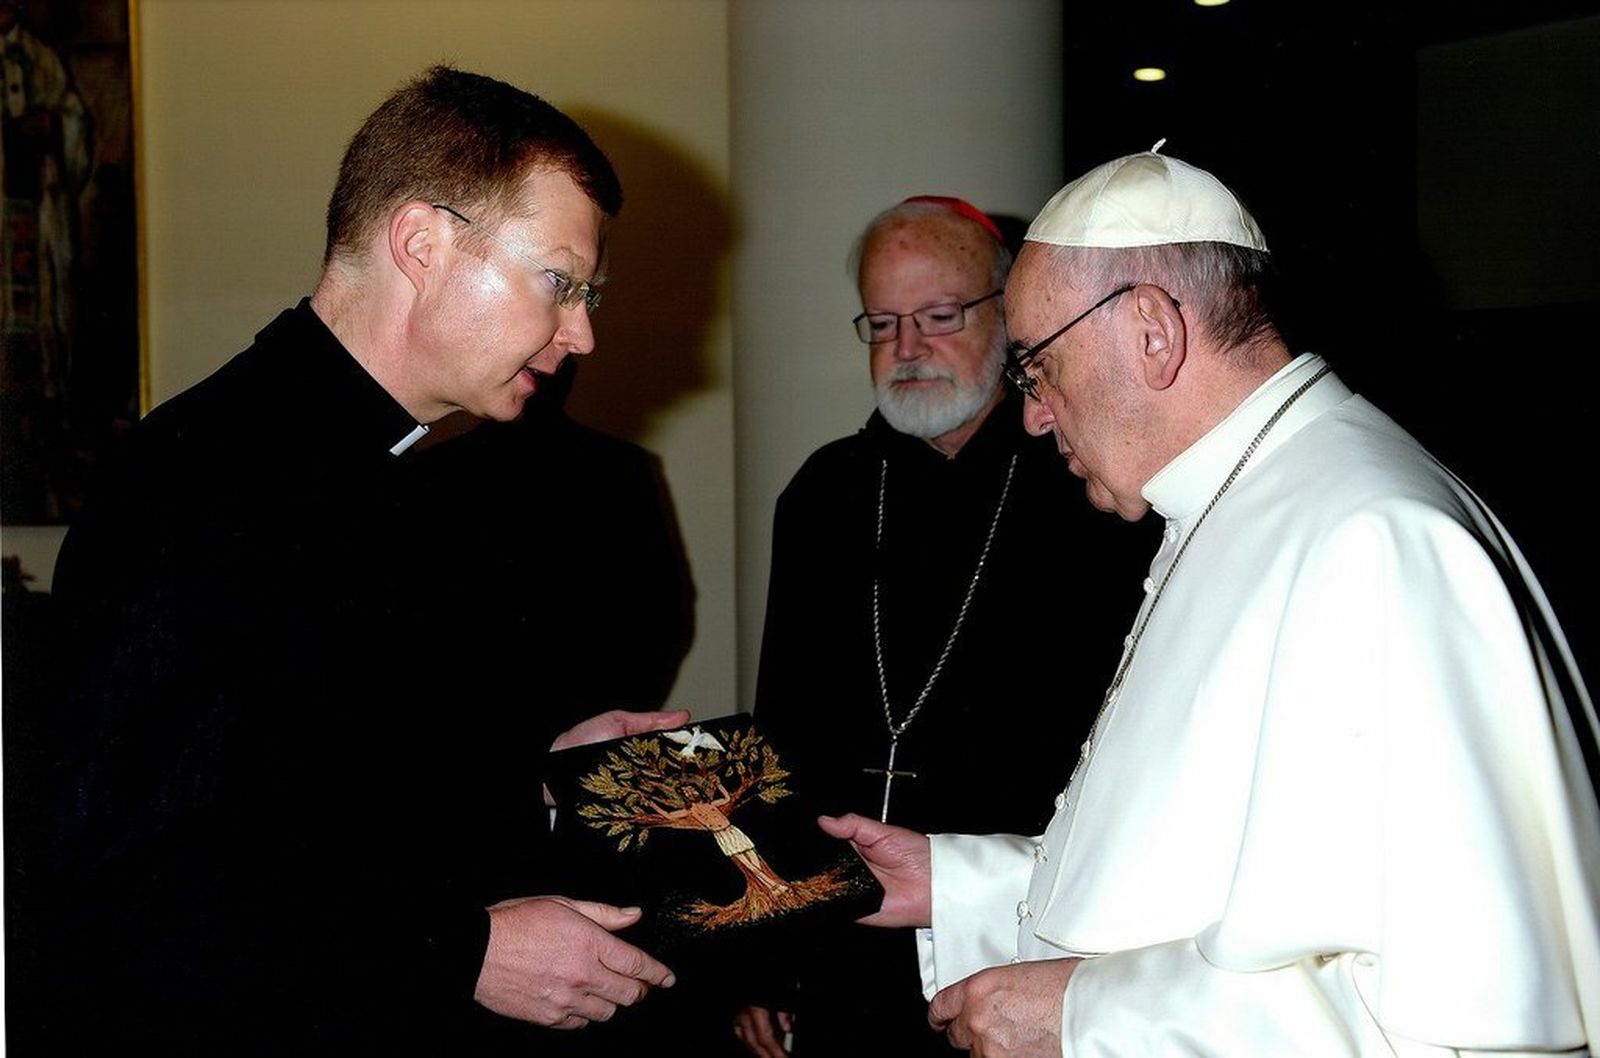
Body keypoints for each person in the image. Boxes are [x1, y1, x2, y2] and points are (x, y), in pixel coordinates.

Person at [821, 147, 1600, 1057]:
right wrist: (954, 885)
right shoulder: (1235, 499)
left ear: (1151, 330)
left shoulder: (1371, 541)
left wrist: (1084, 1016)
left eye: (1038, 367)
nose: (1032, 414)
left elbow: (1444, 1013)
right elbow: (1193, 878)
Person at [32, 66, 687, 1055]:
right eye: (560, 283)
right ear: (422, 244)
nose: (581, 331)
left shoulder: (404, 470)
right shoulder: (197, 482)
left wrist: (541, 774)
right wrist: (462, 951)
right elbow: (131, 881)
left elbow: (327, 785)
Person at [733, 197, 1152, 1056]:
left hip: (1019, 934)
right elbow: (781, 729)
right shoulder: (824, 493)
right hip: (842, 938)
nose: (909, 348)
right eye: (883, 323)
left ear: (1010, 317)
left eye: (939, 316)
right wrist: (760, 955)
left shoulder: (1091, 490)